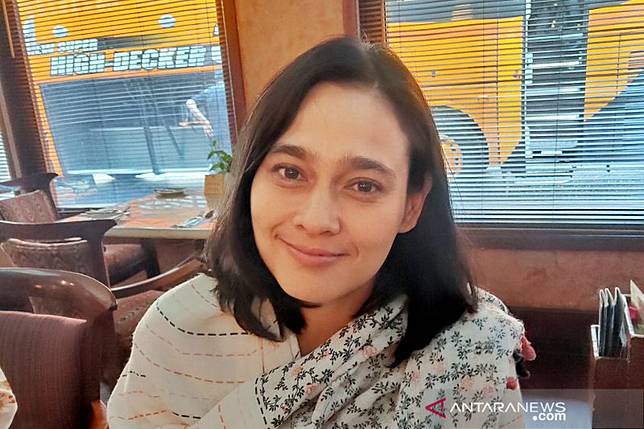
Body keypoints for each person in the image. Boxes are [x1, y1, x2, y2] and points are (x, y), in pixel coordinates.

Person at [107, 37, 535, 428]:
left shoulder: (470, 351)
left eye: (364, 185)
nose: (316, 220)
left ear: (411, 205)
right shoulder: (176, 331)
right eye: (290, 172)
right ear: (251, 178)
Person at [185, 68, 232, 153]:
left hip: (214, 131)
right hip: (231, 131)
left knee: (219, 157)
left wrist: (205, 122)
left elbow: (189, 103)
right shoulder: (231, 90)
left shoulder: (209, 92)